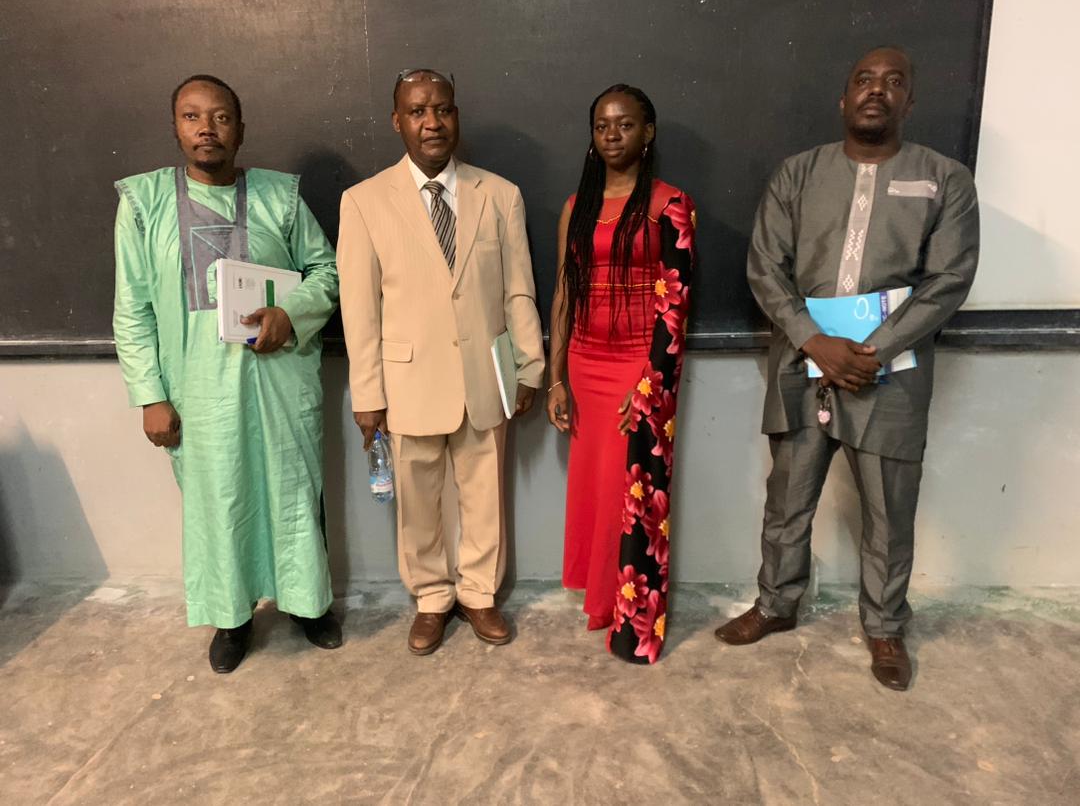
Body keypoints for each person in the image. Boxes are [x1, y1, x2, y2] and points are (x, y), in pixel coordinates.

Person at [715, 47, 980, 690]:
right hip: (802, 363)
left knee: (890, 509)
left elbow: (949, 279)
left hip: (892, 370)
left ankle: (884, 626)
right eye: (864, 79)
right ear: (843, 98)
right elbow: (765, 267)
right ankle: (776, 603)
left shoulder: (945, 179)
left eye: (894, 82)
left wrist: (873, 350)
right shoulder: (797, 175)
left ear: (910, 102)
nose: (876, 90)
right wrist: (814, 341)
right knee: (787, 498)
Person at [113, 75, 342, 673]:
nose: (206, 129)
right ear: (175, 128)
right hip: (198, 391)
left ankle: (308, 605)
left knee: (293, 495)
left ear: (241, 129)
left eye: (220, 117)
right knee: (220, 502)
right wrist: (149, 396)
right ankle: (231, 618)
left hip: (279, 383)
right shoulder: (143, 204)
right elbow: (132, 308)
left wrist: (291, 314)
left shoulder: (280, 197)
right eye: (191, 117)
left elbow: (327, 271)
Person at [336, 70, 545, 655]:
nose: (432, 123)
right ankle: (431, 597)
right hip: (407, 382)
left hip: (485, 377)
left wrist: (529, 365)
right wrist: (367, 395)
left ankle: (479, 593)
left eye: (444, 110)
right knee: (418, 502)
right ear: (397, 121)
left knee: (485, 495)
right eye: (418, 111)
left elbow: (518, 290)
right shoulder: (364, 201)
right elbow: (360, 310)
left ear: (457, 116)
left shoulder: (499, 194)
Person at [546, 84, 696, 665]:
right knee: (596, 492)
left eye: (625, 124)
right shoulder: (576, 205)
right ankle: (603, 603)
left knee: (633, 494)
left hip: (641, 364)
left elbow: (675, 303)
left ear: (648, 132)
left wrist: (651, 382)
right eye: (602, 125)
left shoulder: (670, 204)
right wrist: (557, 376)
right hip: (585, 363)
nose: (612, 135)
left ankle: (637, 628)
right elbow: (565, 291)